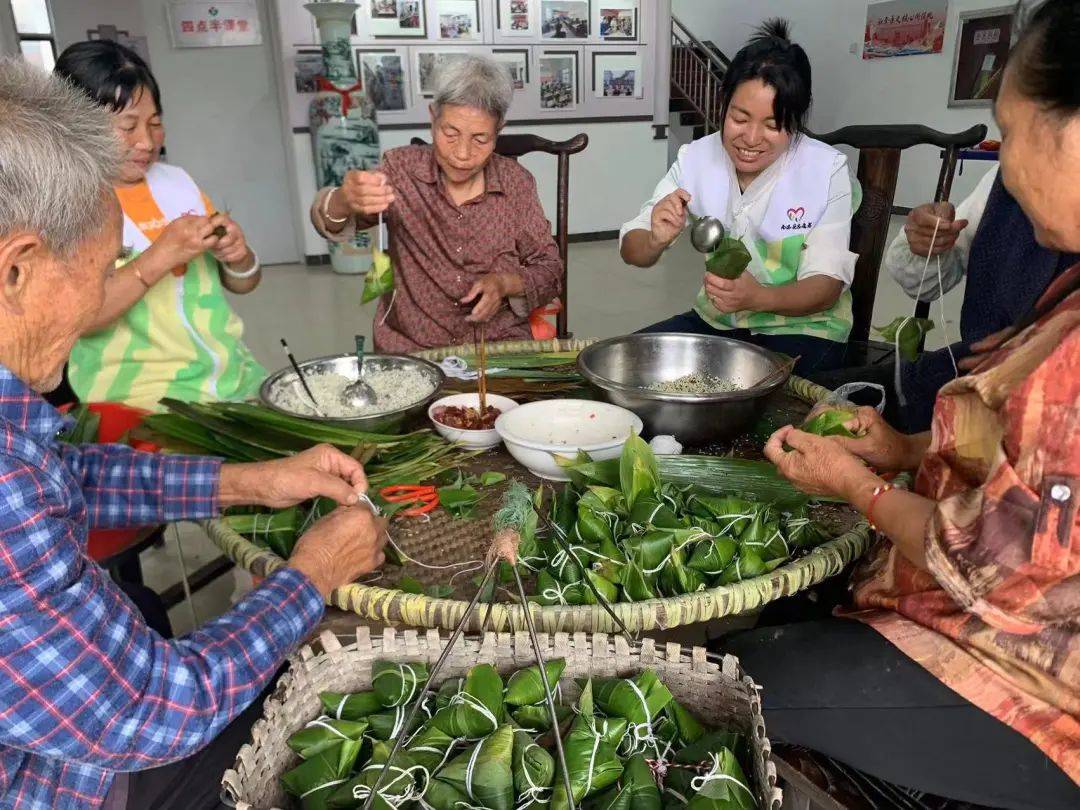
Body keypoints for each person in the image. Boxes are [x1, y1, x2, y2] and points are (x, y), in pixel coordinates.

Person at [0, 61, 387, 809]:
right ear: (18, 268)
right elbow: (159, 709)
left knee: (146, 618)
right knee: (306, 701)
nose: (96, 298)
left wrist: (242, 479)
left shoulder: (16, 439)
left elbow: (63, 474)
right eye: (98, 267)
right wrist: (310, 574)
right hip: (55, 785)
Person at [737, 4, 1080, 807]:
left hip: (1041, 682)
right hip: (1005, 593)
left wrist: (863, 489)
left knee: (738, 678)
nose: (1008, 156)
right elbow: (1024, 463)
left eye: (1011, 128)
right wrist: (902, 449)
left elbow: (999, 572)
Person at [621, 20, 859, 375]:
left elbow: (826, 286)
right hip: (720, 324)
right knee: (628, 362)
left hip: (806, 331)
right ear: (724, 104)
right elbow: (632, 249)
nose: (750, 138)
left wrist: (758, 297)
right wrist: (654, 238)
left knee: (743, 396)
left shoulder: (825, 170)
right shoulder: (697, 158)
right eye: (739, 117)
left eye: (772, 125)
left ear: (795, 122)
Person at [54, 41, 267, 411]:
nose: (146, 142)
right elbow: (77, 321)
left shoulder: (177, 182)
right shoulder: (65, 204)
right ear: (76, 128)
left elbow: (243, 283)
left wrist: (239, 256)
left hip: (230, 378)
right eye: (128, 126)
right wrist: (161, 255)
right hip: (139, 398)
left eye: (155, 124)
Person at [311, 55, 563, 352]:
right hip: (414, 348)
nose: (463, 153)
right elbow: (326, 222)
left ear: (499, 131)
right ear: (433, 118)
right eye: (450, 133)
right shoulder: (400, 169)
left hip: (496, 348)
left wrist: (505, 284)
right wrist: (341, 200)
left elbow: (549, 269)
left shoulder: (516, 183)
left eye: (481, 139)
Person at [872, 163, 1080, 430]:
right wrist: (929, 243)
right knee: (836, 398)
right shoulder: (1006, 174)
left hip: (1049, 414)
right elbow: (927, 284)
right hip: (971, 374)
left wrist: (909, 452)